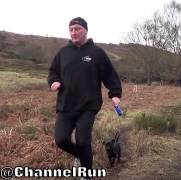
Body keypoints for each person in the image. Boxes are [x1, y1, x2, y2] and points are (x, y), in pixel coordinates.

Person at [48, 17, 122, 177]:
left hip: (88, 106)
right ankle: (81, 156)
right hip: (65, 106)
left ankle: (86, 173)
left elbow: (109, 75)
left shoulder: (97, 53)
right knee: (61, 140)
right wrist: (53, 82)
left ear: (85, 30)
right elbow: (53, 72)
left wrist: (115, 94)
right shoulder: (63, 53)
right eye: (71, 29)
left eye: (77, 29)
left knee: (83, 141)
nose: (73, 32)